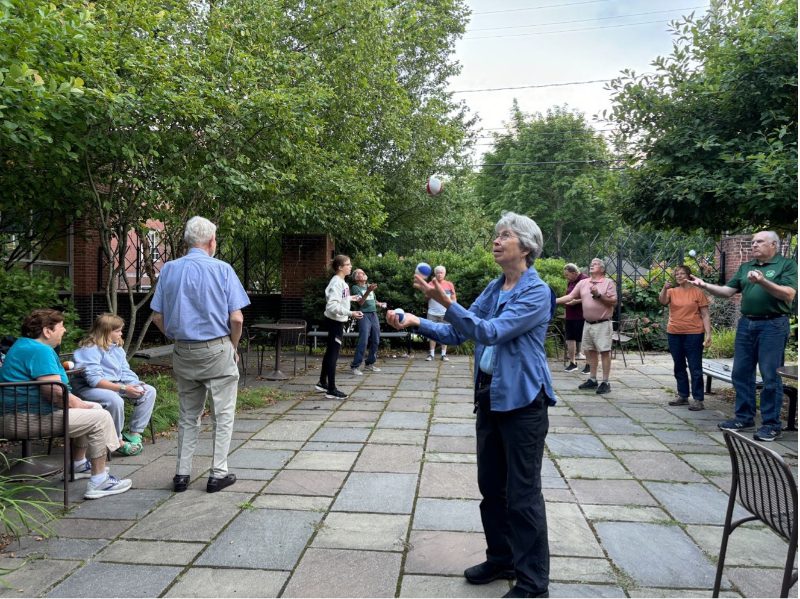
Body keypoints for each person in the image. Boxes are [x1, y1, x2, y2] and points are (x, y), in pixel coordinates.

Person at [387, 212, 555, 599]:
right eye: (496, 235)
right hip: (490, 397)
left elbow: (490, 332)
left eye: (506, 235)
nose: (497, 240)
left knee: (523, 493)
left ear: (526, 247)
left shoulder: (536, 291)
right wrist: (415, 321)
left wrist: (442, 299)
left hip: (524, 403)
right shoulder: (495, 288)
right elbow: (458, 331)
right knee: (491, 487)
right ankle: (502, 557)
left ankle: (533, 583)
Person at [151, 216, 250, 493]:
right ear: (211, 241)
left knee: (187, 415)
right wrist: (233, 345)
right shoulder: (223, 269)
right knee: (223, 414)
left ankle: (182, 474)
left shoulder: (169, 269)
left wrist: (176, 334)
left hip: (184, 350)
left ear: (186, 241)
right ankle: (218, 473)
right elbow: (237, 319)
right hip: (217, 348)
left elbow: (158, 315)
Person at [0, 309, 132, 499]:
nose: (65, 331)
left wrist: (81, 404)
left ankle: (78, 464)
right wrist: (79, 404)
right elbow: (54, 392)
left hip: (18, 415)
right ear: (47, 331)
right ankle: (99, 481)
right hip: (27, 419)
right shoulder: (39, 351)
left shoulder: (23, 345)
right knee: (100, 417)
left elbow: (56, 392)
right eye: (61, 327)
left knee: (94, 408)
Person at [689, 231, 797, 442]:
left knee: (770, 375)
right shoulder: (746, 267)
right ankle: (744, 417)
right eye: (752, 242)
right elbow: (727, 292)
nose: (753, 245)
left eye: (759, 242)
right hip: (747, 324)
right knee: (741, 372)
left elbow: (789, 294)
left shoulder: (786, 265)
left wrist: (763, 281)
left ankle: (771, 424)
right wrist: (705, 286)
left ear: (773, 245)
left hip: (773, 324)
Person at [72, 314, 157, 456]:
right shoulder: (89, 350)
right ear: (106, 331)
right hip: (89, 389)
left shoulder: (116, 348)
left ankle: (134, 434)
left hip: (115, 385)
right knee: (114, 400)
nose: (121, 334)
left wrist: (135, 384)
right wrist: (124, 388)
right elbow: (94, 381)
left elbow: (124, 370)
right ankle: (116, 441)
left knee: (149, 391)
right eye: (117, 331)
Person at [556, 258, 617, 394]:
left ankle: (606, 382)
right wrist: (551, 301)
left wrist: (598, 295)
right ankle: (593, 379)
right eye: (591, 263)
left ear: (602, 269)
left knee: (605, 352)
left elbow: (613, 302)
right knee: (590, 351)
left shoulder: (608, 283)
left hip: (602, 323)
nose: (591, 265)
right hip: (587, 323)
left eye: (595, 264)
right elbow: (570, 296)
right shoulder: (583, 283)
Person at [658, 265, 712, 411]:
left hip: (694, 333)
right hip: (674, 332)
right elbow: (662, 301)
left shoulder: (697, 292)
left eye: (682, 273)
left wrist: (708, 334)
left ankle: (698, 399)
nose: (679, 276)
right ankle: (682, 395)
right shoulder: (671, 291)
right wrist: (664, 288)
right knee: (679, 365)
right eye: (677, 274)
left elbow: (705, 314)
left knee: (695, 367)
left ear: (688, 276)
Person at [314, 255, 363, 399]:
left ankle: (323, 382)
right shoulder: (337, 283)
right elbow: (332, 305)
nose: (350, 266)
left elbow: (340, 299)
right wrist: (351, 313)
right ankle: (331, 389)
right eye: (347, 264)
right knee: (333, 355)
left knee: (330, 352)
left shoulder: (342, 283)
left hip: (336, 322)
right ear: (340, 267)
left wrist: (351, 298)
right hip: (335, 323)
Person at [350, 268, 386, 376]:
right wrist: (368, 290)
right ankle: (355, 366)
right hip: (363, 315)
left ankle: (369, 364)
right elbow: (361, 302)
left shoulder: (368, 286)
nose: (363, 273)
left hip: (373, 314)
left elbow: (372, 300)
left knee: (376, 339)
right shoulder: (355, 288)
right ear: (356, 278)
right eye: (360, 273)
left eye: (363, 272)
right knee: (364, 340)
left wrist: (379, 304)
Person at [561, 263, 589, 373]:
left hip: (582, 315)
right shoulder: (571, 281)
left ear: (574, 273)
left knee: (585, 340)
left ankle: (589, 364)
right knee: (570, 338)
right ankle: (573, 363)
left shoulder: (585, 279)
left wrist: (577, 301)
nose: (566, 277)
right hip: (570, 315)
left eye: (567, 275)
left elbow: (591, 297)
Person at [425, 265, 457, 361]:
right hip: (432, 313)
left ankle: (443, 355)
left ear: (444, 274)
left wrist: (454, 309)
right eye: (438, 272)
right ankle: (431, 354)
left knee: (445, 333)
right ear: (435, 274)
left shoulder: (449, 284)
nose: (439, 274)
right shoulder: (430, 284)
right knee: (432, 334)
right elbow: (426, 298)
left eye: (441, 272)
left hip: (445, 313)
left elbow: (453, 298)